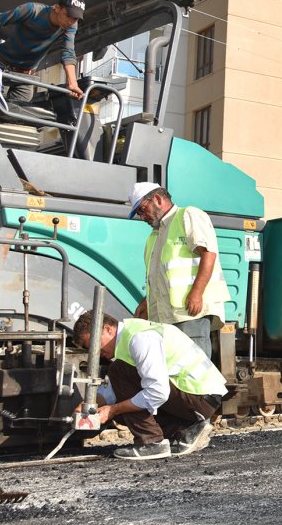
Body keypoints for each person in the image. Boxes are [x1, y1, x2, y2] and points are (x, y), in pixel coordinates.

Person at [72, 310, 225, 460]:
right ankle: (185, 429)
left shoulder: (140, 338)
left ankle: (152, 443)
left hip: (199, 397)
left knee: (118, 373)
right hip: (197, 395)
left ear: (108, 329)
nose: (95, 352)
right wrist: (90, 404)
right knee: (122, 393)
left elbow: (158, 392)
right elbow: (114, 389)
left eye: (94, 344)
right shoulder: (131, 336)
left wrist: (113, 410)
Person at [128, 182, 229, 360]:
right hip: (167, 318)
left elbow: (208, 254)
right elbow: (159, 279)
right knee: (177, 375)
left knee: (194, 371)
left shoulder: (188, 215)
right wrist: (146, 303)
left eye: (142, 210)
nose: (142, 217)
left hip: (189, 314)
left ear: (157, 199)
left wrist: (197, 293)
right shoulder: (155, 236)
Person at [0, 0, 86, 118]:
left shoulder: (70, 26)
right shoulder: (32, 10)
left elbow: (68, 52)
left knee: (17, 117)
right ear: (57, 8)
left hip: (25, 75)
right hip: (0, 64)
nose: (70, 22)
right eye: (68, 16)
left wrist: (73, 84)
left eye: (75, 19)